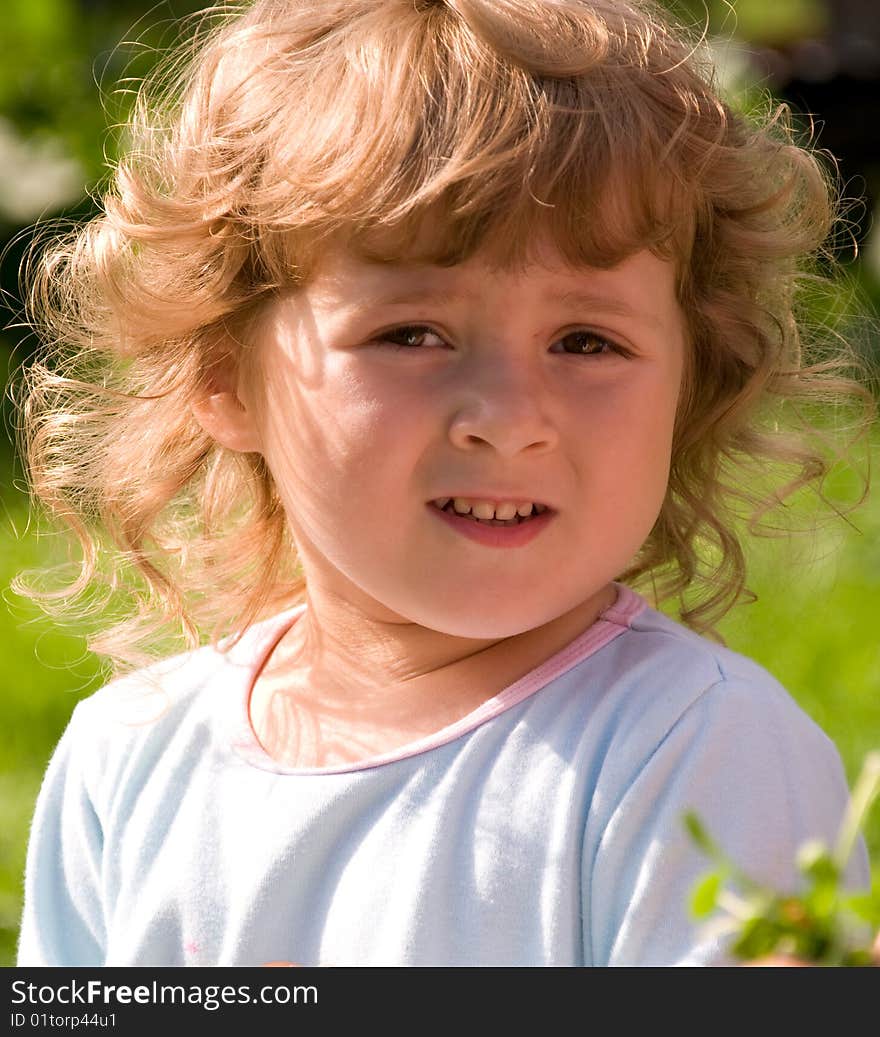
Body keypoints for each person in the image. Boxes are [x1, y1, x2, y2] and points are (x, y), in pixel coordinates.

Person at [13, 0, 877, 967]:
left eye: (586, 341)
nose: (507, 417)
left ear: (692, 384)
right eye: (411, 334)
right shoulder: (129, 757)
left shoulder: (696, 748)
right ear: (223, 372)